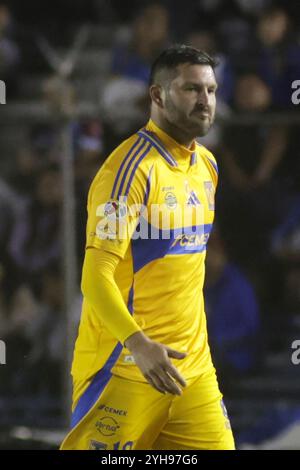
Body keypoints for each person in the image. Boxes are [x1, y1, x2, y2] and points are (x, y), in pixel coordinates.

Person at [61, 45, 235, 450]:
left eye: (210, 90)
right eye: (192, 90)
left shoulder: (207, 166)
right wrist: (137, 343)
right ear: (157, 96)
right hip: (124, 368)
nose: (205, 101)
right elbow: (94, 275)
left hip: (192, 373)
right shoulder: (128, 170)